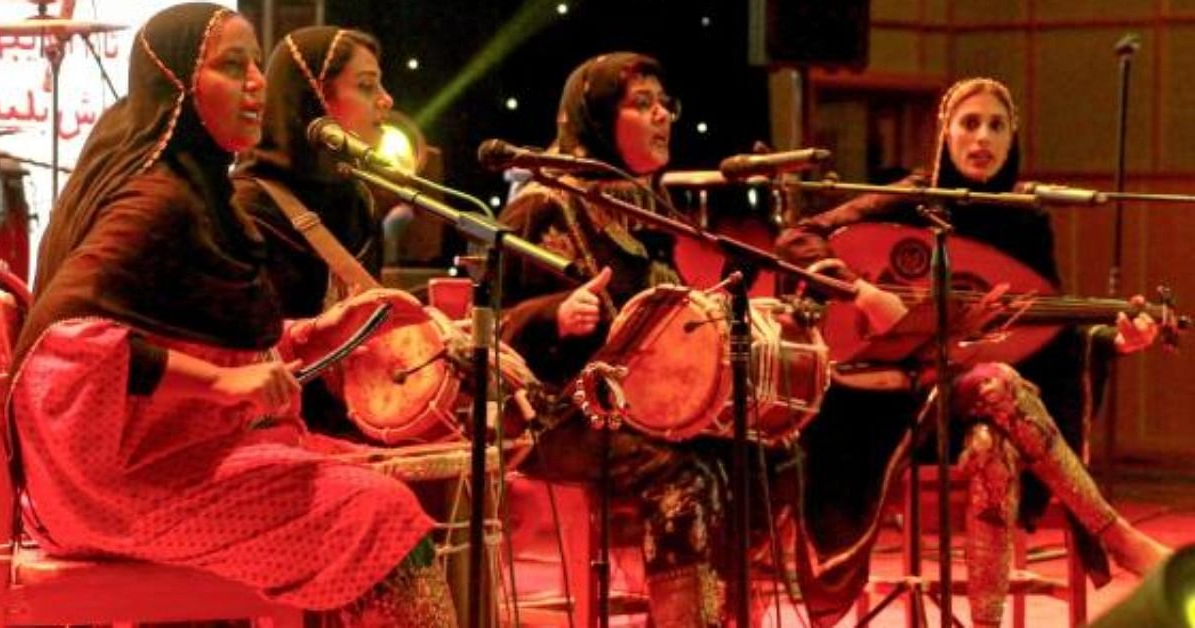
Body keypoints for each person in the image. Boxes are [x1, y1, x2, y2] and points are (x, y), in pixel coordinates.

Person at [8, 5, 454, 623]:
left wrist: (313, 334)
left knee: (359, 483)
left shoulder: (194, 188)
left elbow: (196, 337)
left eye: (255, 67)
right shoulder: (154, 202)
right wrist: (220, 382)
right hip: (119, 489)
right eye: (231, 66)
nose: (255, 84)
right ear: (179, 84)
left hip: (165, 459)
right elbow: (63, 349)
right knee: (376, 513)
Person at [776, 76, 1171, 627]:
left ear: (1013, 140)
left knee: (996, 445)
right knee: (1000, 384)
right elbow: (798, 237)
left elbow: (1051, 333)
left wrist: (1115, 340)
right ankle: (1118, 537)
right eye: (969, 123)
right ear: (945, 135)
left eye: (996, 125)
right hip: (888, 410)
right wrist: (863, 292)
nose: (982, 137)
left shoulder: (1027, 220)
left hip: (977, 403)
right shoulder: (912, 199)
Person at [499, 52, 795, 627]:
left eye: (665, 104)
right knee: (686, 474)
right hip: (557, 414)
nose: (663, 116)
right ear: (596, 118)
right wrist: (553, 313)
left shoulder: (646, 207)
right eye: (641, 104)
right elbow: (486, 320)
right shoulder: (542, 202)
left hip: (642, 409)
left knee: (764, 450)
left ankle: (723, 615)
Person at [232, 26, 391, 437]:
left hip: (366, 416)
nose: (385, 100)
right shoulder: (245, 207)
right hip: (272, 427)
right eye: (366, 85)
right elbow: (239, 352)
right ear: (313, 100)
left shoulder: (360, 201)